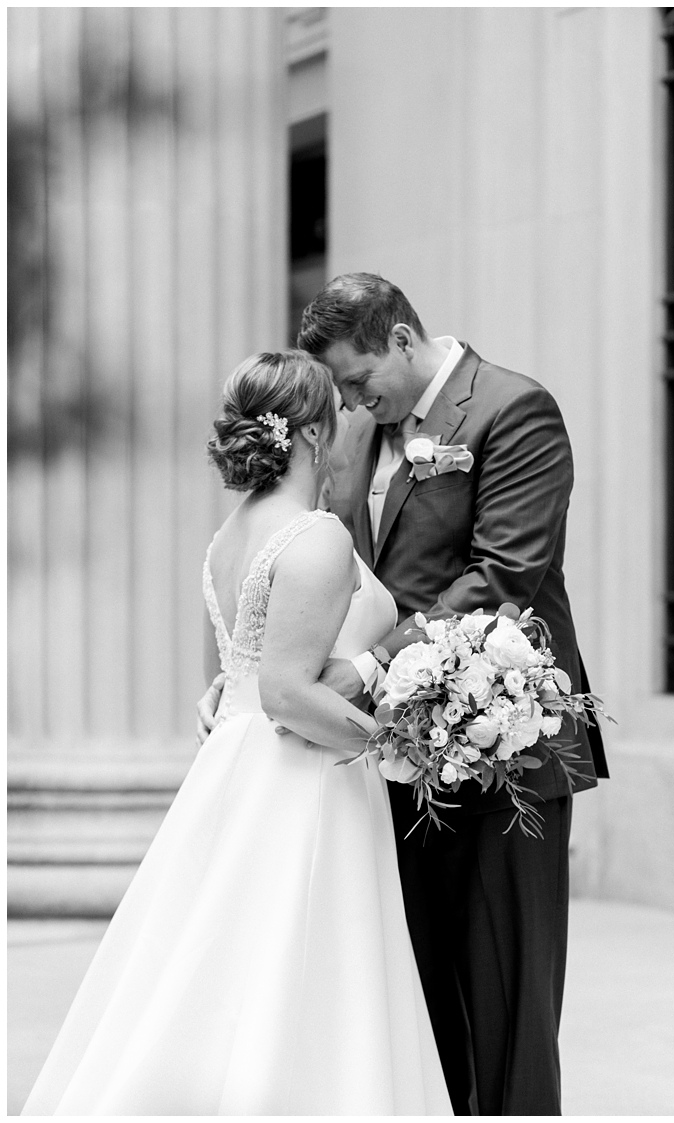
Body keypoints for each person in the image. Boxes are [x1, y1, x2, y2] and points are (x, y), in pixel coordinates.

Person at [23, 352, 451, 1114]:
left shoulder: (230, 535)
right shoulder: (315, 535)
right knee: (302, 962)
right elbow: (288, 693)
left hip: (237, 763)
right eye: (341, 413)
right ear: (314, 431)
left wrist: (235, 690)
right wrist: (398, 746)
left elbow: (251, 671)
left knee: (225, 960)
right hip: (305, 775)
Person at [296, 273, 608, 1115]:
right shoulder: (362, 432)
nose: (353, 402)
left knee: (508, 994)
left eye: (360, 379)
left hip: (509, 744)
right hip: (393, 757)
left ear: (401, 338)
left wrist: (366, 666)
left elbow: (503, 574)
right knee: (419, 990)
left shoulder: (514, 410)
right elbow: (337, 569)